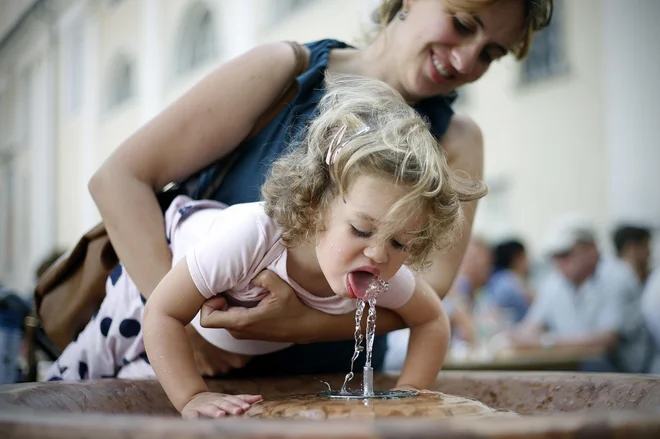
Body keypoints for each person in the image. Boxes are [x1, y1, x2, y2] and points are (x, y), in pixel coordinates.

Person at [87, 0, 553, 377]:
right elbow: (119, 180)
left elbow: (426, 291)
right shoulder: (283, 73)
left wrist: (301, 325)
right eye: (463, 23)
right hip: (197, 376)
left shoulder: (459, 141)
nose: (468, 59)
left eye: (491, 53)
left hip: (333, 389)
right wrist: (188, 330)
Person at [47, 77, 482, 418]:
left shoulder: (378, 271)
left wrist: (410, 397)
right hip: (158, 280)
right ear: (318, 207)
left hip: (204, 330)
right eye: (361, 230)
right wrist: (193, 398)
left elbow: (431, 322)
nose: (379, 254)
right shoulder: (253, 238)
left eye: (401, 242)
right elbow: (162, 311)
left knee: (136, 396)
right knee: (77, 381)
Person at [505, 214, 652, 373]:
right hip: (578, 375)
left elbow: (607, 340)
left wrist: (546, 343)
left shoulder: (618, 276)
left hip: (625, 379)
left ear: (591, 249)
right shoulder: (554, 283)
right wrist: (507, 336)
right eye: (554, 256)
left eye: (565, 254)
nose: (559, 262)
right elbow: (531, 328)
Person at [487, 238, 533, 322]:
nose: (529, 261)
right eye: (525, 256)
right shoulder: (508, 281)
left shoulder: (499, 278)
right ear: (517, 258)